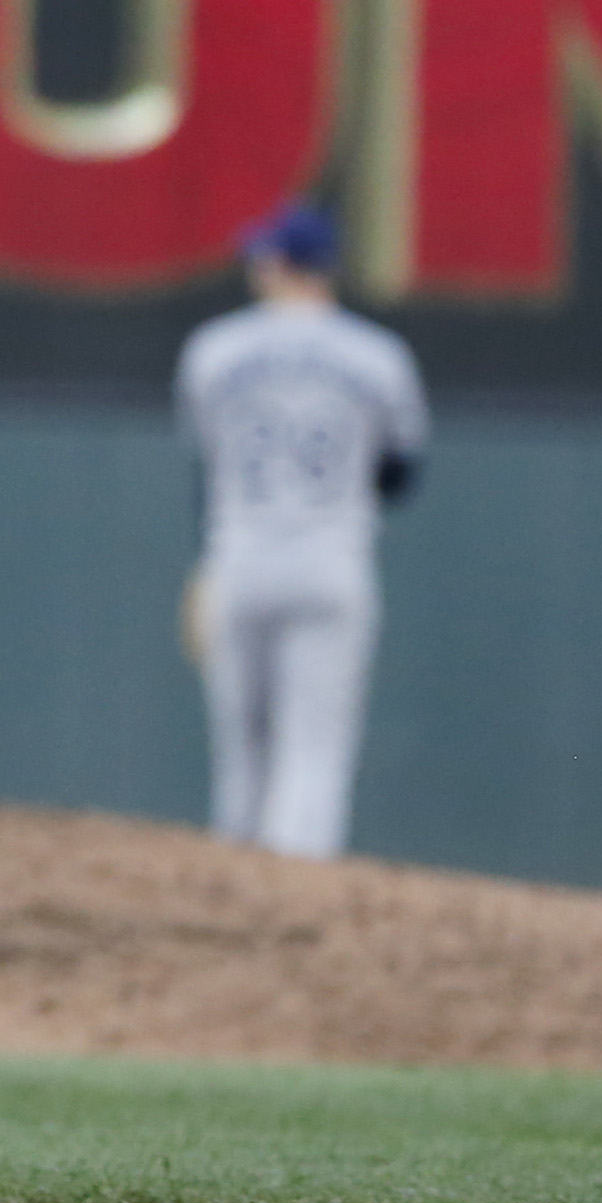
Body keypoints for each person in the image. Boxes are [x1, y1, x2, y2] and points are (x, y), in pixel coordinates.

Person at [178, 205, 426, 861]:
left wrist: (202, 571)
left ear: (279, 264)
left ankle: (230, 888)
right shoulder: (378, 355)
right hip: (330, 563)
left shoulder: (214, 348)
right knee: (314, 752)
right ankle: (300, 898)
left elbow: (209, 468)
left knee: (242, 750)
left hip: (240, 559)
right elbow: (400, 474)